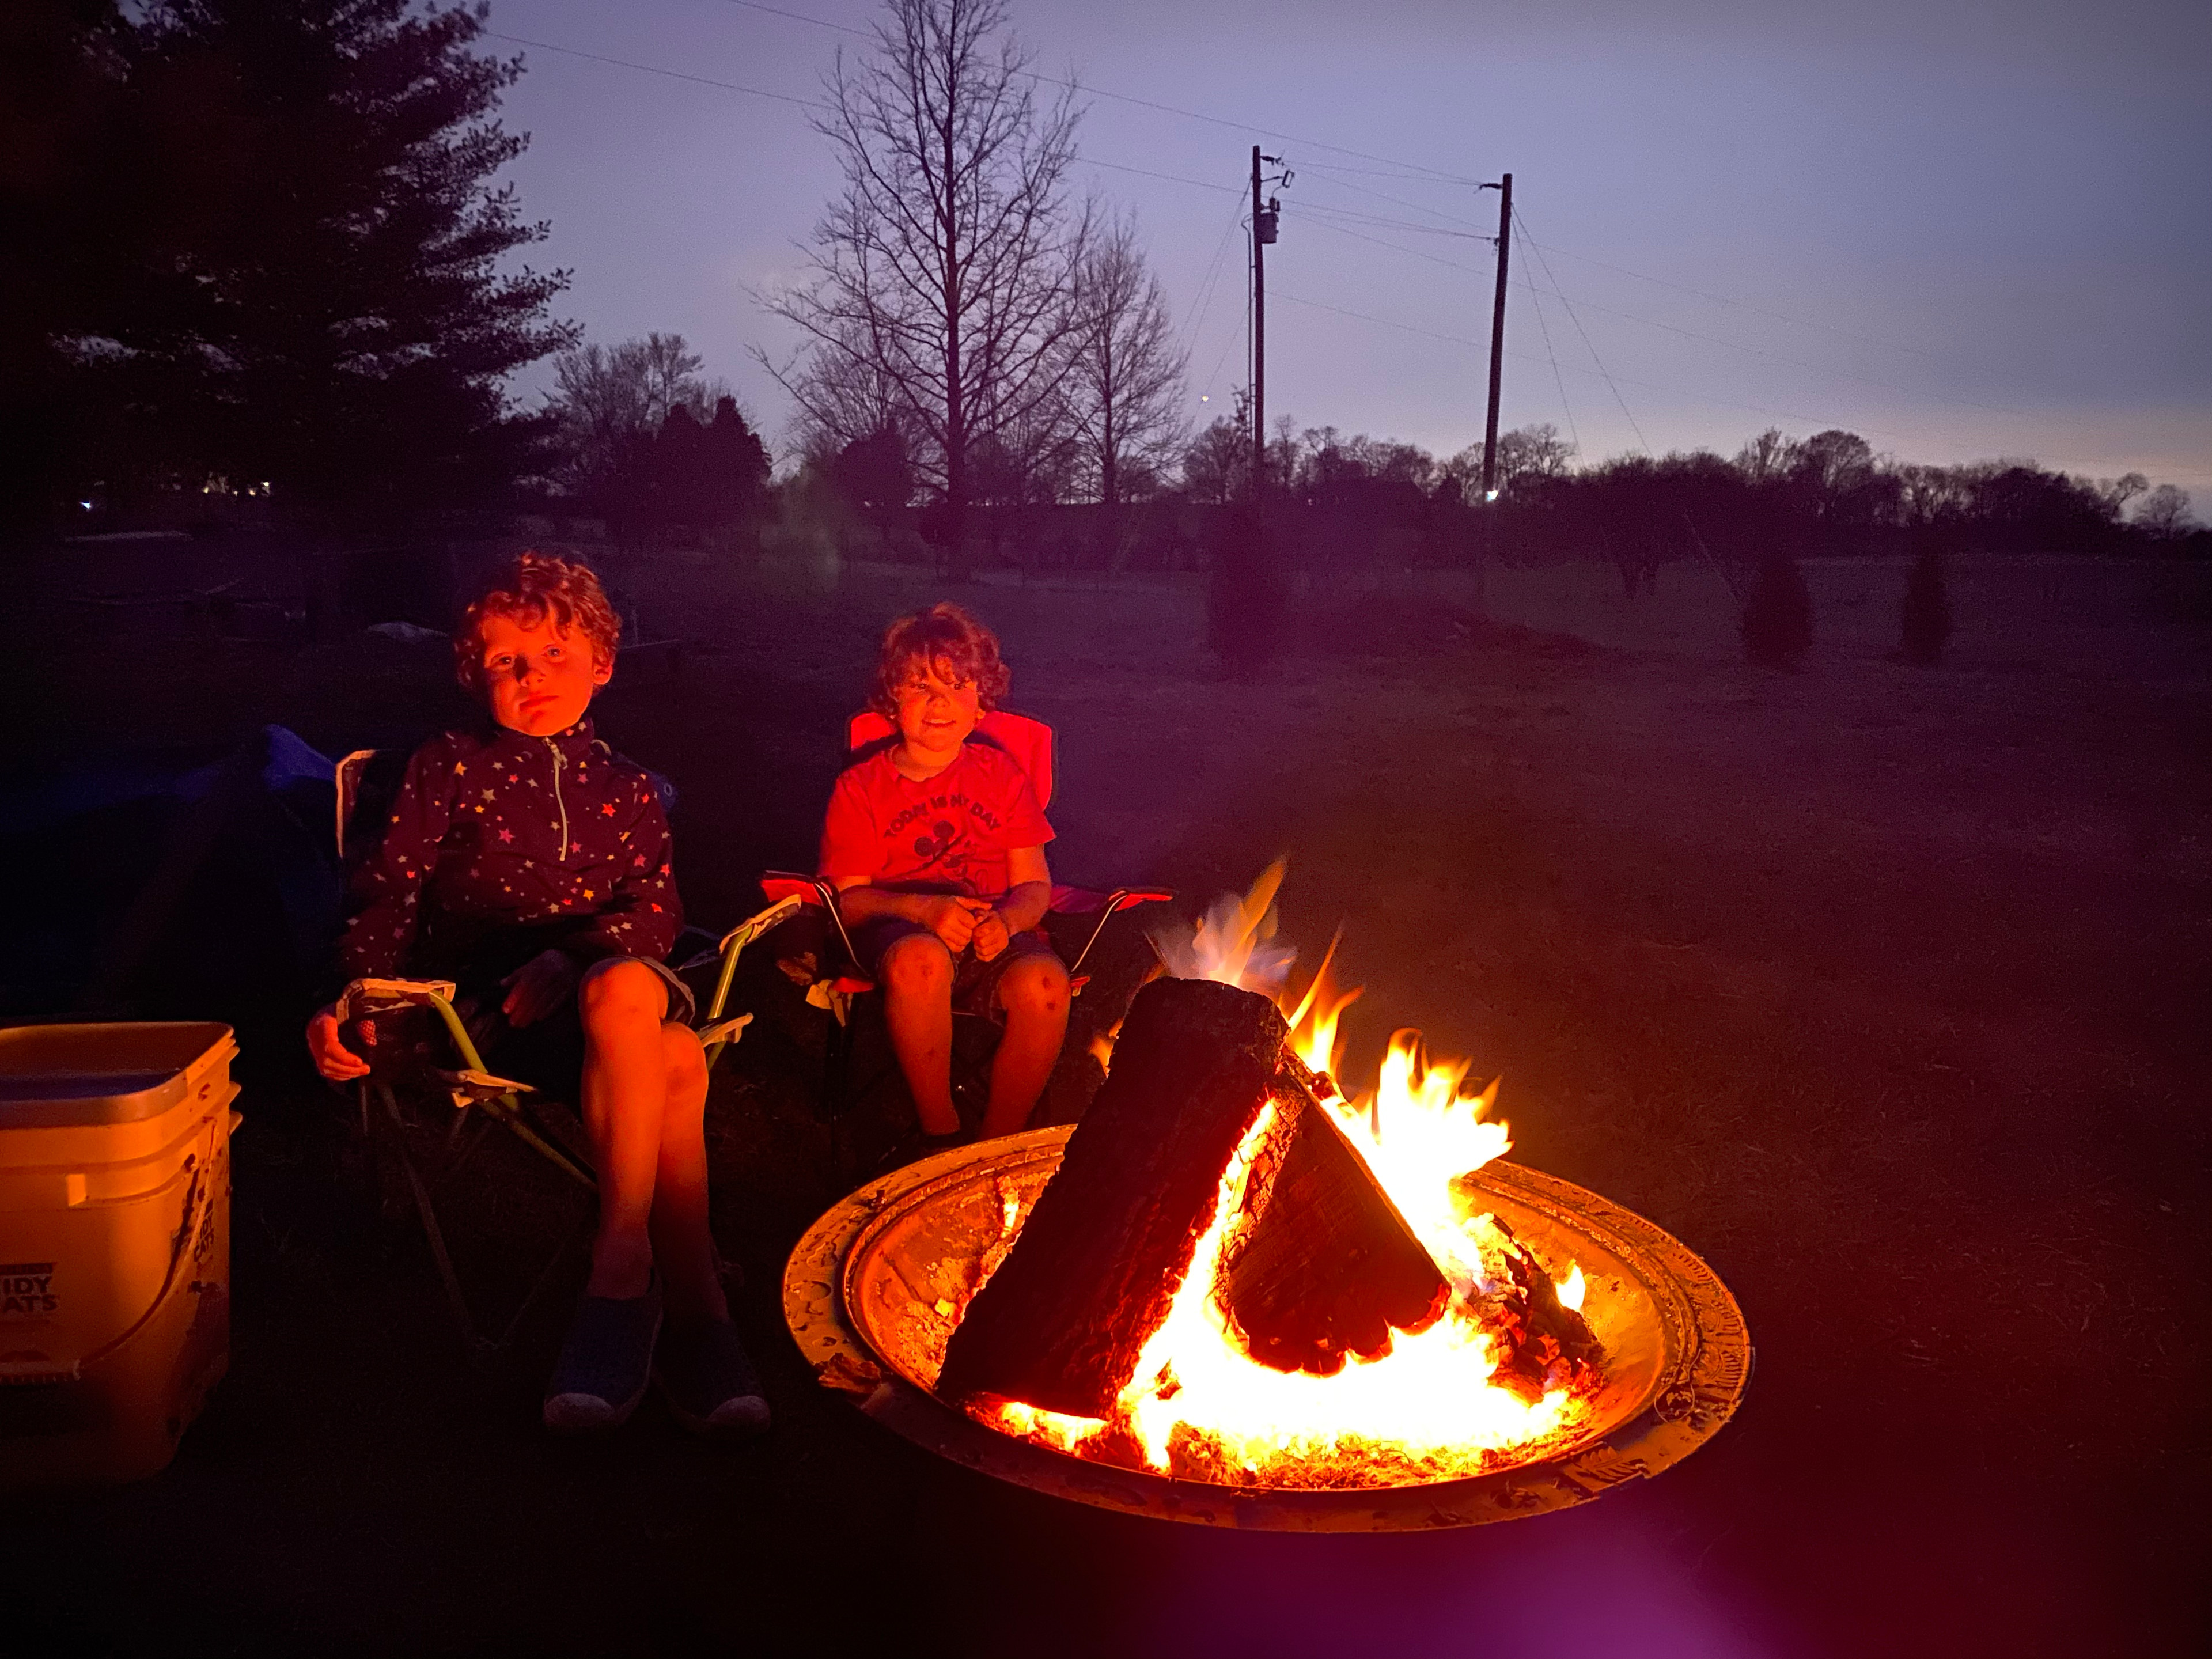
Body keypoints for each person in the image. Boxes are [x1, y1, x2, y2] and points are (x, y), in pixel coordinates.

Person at [304, 552, 766, 1438]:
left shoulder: (629, 790)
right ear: (478, 676)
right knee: (671, 1051)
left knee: (627, 984)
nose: (532, 678)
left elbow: (657, 905)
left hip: (600, 999)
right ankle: (689, 1297)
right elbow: (389, 894)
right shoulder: (445, 768)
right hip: (484, 1014)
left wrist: (578, 956)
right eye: (507, 661)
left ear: (603, 662)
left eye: (556, 654)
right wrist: (345, 995)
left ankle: (622, 1279)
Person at [819, 604, 1070, 1143]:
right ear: (892, 701)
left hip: (989, 932)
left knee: (1047, 985)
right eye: (919, 687)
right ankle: (941, 1129)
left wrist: (1006, 922)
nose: (939, 704)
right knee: (920, 961)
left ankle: (996, 1141)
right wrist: (922, 910)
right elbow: (850, 901)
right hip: (901, 931)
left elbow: (1034, 885)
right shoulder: (860, 788)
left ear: (981, 704)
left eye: (957, 687)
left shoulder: (1001, 775)